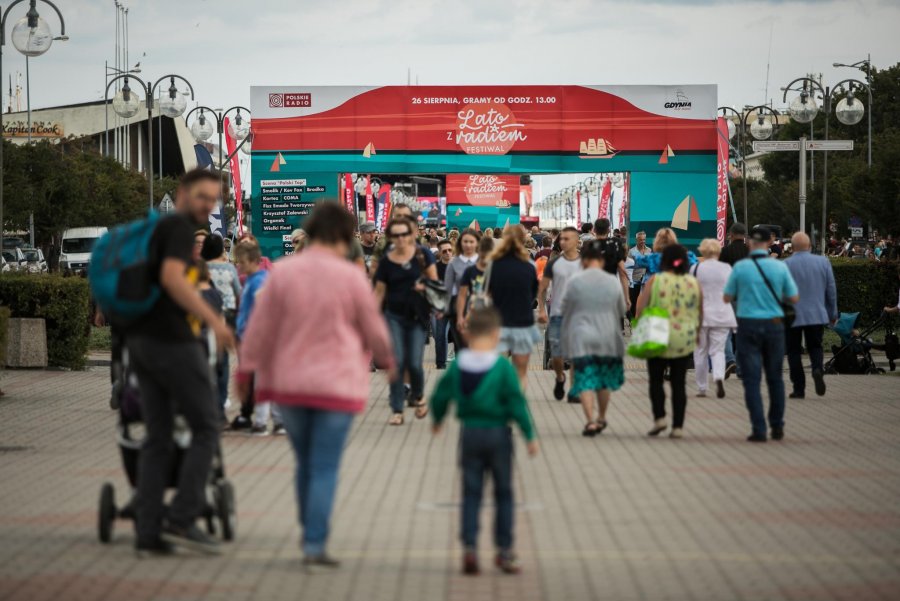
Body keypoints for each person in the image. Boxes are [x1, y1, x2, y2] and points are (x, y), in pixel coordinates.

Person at [236, 203, 395, 568]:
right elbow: (373, 328)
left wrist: (245, 373)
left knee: (305, 462)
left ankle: (308, 529)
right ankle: (314, 542)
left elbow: (259, 329)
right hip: (336, 388)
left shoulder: (283, 273)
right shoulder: (350, 277)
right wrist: (391, 363)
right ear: (341, 236)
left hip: (290, 385)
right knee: (324, 465)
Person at [125, 168, 235, 557]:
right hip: (172, 341)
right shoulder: (177, 229)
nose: (207, 205)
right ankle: (182, 518)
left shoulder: (158, 229)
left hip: (143, 343)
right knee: (206, 425)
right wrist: (214, 321)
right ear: (183, 193)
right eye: (202, 196)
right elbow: (173, 279)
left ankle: (149, 532)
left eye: (213, 199)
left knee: (157, 439)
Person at [429, 306, 538, 576]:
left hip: (470, 435)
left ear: (465, 333)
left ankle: (469, 548)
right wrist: (529, 434)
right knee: (503, 492)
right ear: (496, 334)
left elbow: (440, 396)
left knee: (471, 492)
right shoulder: (501, 367)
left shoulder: (458, 365)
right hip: (499, 435)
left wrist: (438, 419)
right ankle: (504, 551)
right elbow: (516, 402)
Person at [723, 226, 799, 443]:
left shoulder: (741, 268)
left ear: (750, 243)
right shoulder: (779, 267)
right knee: (775, 377)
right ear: (768, 243)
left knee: (752, 379)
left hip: (748, 325)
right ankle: (777, 425)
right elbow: (793, 298)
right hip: (774, 326)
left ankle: (758, 428)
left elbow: (727, 297)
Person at [374, 217, 438, 425]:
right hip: (393, 316)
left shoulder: (422, 255)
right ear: (391, 237)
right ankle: (397, 409)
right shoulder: (386, 261)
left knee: (414, 363)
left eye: (404, 234)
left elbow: (435, 283)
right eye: (396, 235)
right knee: (398, 362)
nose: (401, 239)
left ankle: (418, 396)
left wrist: (425, 288)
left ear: (411, 235)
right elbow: (379, 292)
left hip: (417, 316)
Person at [560, 239, 626, 436]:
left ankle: (589, 421)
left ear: (585, 260)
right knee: (603, 381)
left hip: (582, 336)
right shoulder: (612, 282)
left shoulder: (575, 281)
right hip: (607, 337)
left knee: (585, 379)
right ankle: (602, 417)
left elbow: (565, 310)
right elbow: (621, 309)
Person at [636, 244, 702, 439]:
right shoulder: (693, 283)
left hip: (657, 333)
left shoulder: (655, 280)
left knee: (656, 380)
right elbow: (700, 310)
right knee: (679, 383)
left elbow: (643, 304)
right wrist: (697, 333)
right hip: (683, 336)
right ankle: (678, 426)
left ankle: (660, 418)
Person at [231, 240, 283, 435]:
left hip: (258, 338)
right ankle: (278, 421)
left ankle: (261, 422)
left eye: (243, 262)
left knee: (262, 381)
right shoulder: (254, 279)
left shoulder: (259, 281)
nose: (240, 267)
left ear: (254, 260)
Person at [784, 232, 838, 398]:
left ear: (792, 248)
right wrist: (832, 313)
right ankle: (817, 369)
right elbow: (831, 290)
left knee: (793, 351)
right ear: (809, 246)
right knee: (815, 346)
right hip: (816, 313)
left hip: (792, 315)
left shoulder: (785, 264)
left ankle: (799, 388)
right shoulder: (823, 262)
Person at [486, 227, 540, 387]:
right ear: (523, 241)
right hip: (523, 323)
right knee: (520, 371)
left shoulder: (493, 265)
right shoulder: (530, 266)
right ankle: (517, 403)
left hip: (498, 323)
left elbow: (486, 293)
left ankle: (500, 404)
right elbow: (532, 295)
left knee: (499, 369)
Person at [537, 227, 581, 401]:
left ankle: (575, 390)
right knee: (557, 355)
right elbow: (543, 287)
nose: (562, 242)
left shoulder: (585, 262)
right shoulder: (554, 263)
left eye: (567, 239)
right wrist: (541, 309)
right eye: (561, 239)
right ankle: (560, 377)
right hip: (557, 315)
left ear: (577, 241)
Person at [201, 234, 242, 419]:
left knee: (205, 359)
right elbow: (238, 291)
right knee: (223, 361)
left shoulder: (200, 269)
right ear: (221, 250)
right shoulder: (228, 268)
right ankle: (220, 406)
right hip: (227, 317)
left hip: (205, 315)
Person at [692, 239, 736, 399]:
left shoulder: (696, 268)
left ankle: (702, 388)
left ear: (702, 251)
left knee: (700, 351)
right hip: (722, 314)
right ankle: (718, 377)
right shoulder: (727, 268)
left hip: (701, 315)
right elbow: (732, 291)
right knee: (718, 350)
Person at [719, 222, 749, 377]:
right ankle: (741, 368)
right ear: (744, 236)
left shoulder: (725, 251)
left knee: (726, 332)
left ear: (730, 235)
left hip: (729, 297)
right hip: (747, 299)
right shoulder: (751, 252)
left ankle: (730, 360)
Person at [445, 229, 481, 352]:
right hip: (458, 308)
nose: (468, 245)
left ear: (477, 243)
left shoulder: (484, 263)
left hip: (480, 308)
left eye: (471, 241)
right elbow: (448, 289)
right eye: (465, 241)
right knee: (462, 347)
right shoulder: (453, 263)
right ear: (460, 243)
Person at [456, 237, 494, 334]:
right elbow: (462, 295)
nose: (485, 259)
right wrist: (460, 317)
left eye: (488, 256)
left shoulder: (497, 270)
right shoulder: (470, 271)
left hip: (493, 315)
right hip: (474, 313)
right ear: (479, 252)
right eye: (483, 255)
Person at [593, 219, 631, 314]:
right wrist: (626, 298)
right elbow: (622, 272)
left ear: (594, 230)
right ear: (609, 230)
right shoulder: (615, 244)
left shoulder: (589, 246)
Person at [433, 238, 454, 369]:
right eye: (444, 251)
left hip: (457, 304)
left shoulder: (458, 265)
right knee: (439, 335)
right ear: (440, 253)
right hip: (441, 305)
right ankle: (441, 363)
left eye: (450, 250)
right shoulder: (435, 267)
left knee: (459, 335)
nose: (447, 253)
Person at [627, 231, 651, 318]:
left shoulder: (649, 250)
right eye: (640, 240)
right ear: (636, 240)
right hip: (635, 281)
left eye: (644, 239)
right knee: (634, 302)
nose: (642, 241)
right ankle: (633, 321)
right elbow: (628, 268)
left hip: (646, 282)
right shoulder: (631, 252)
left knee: (645, 303)